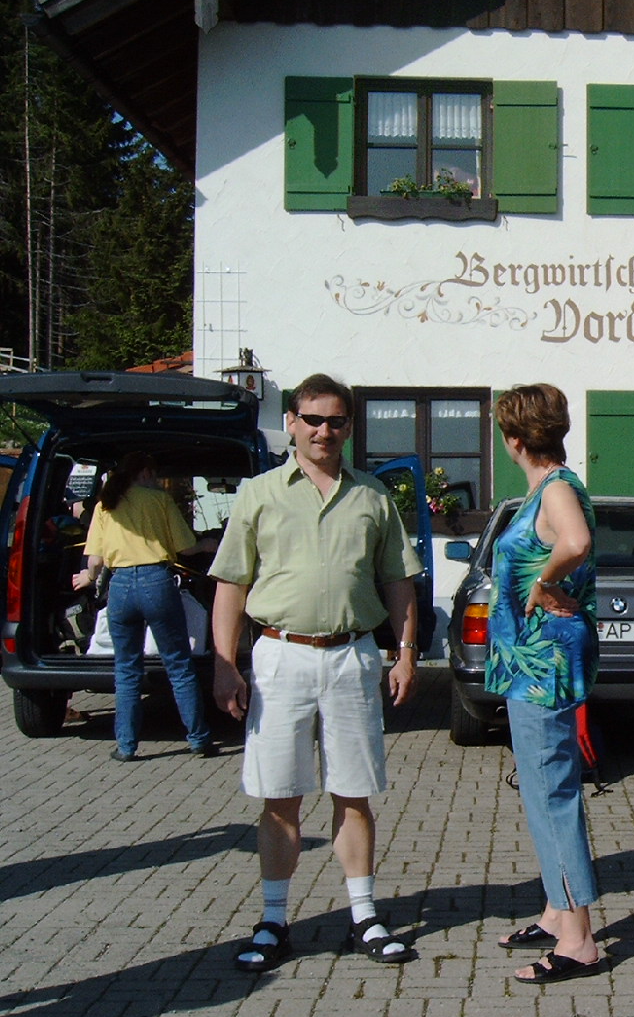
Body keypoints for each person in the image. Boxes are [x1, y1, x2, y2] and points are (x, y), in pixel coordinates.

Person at [210, 373, 422, 973]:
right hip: (280, 657)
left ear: (349, 427)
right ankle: (274, 921)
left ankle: (364, 916)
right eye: (313, 419)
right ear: (292, 423)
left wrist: (406, 652)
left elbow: (398, 582)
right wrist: (224, 665)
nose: (324, 431)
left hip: (352, 657)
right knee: (280, 796)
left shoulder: (373, 497)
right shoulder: (258, 494)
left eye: (336, 421)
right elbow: (231, 585)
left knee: (354, 793)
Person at [487, 383, 607, 985]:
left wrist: (543, 583)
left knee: (551, 791)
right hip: (533, 662)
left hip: (542, 665)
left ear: (513, 439)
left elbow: (575, 542)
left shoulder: (556, 489)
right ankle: (558, 911)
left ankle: (579, 940)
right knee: (542, 787)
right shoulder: (551, 488)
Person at [72, 452, 216, 761]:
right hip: (157, 583)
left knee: (126, 670)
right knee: (179, 665)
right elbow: (185, 547)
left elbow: (94, 560)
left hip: (120, 587)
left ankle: (126, 746)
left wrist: (88, 578)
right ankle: (199, 738)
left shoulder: (104, 505)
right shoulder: (159, 500)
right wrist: (207, 544)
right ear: (146, 473)